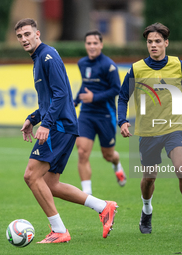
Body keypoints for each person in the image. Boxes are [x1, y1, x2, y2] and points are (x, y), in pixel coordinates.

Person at [15, 18, 118, 244]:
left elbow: (61, 94)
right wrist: (33, 118)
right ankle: (104, 207)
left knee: (31, 175)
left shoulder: (47, 56)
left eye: (27, 34)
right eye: (19, 36)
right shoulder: (40, 58)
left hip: (59, 126)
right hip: (64, 125)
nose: (23, 39)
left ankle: (59, 230)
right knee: (51, 184)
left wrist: (46, 124)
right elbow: (51, 98)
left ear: (37, 34)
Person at [118, 23, 182, 237]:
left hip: (174, 127)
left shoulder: (179, 66)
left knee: (181, 168)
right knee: (149, 178)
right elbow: (123, 97)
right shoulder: (137, 68)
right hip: (147, 131)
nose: (154, 45)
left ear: (166, 42)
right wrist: (122, 121)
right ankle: (146, 209)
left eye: (158, 41)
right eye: (150, 42)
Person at [74, 30, 126, 195]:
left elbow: (116, 89)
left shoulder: (108, 65)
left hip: (105, 115)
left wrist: (94, 97)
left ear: (101, 45)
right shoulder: (82, 63)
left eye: (95, 43)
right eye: (88, 43)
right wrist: (74, 102)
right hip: (86, 114)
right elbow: (85, 85)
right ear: (85, 45)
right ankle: (87, 194)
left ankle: (116, 164)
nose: (92, 46)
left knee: (108, 155)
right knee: (82, 152)